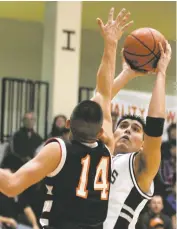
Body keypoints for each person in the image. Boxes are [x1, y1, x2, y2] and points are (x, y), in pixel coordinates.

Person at [0, 8, 133, 229]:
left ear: (68, 124)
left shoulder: (58, 150)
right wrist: (111, 43)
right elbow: (104, 91)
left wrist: (110, 43)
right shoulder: (107, 146)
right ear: (101, 131)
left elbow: (12, 186)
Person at [102, 40, 172, 229]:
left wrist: (161, 73)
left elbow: (155, 126)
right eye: (123, 125)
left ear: (143, 143)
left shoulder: (140, 165)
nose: (127, 130)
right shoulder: (97, 155)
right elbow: (97, 104)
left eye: (135, 129)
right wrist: (126, 73)